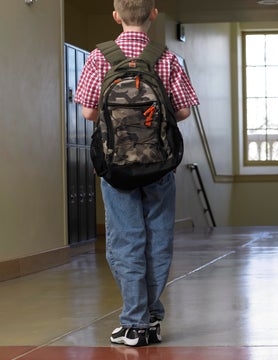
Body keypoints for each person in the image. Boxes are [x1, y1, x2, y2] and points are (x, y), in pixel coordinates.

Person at [74, 0, 199, 347]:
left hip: (116, 167)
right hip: (159, 165)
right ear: (154, 14)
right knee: (158, 239)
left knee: (126, 239)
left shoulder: (100, 57)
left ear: (116, 16)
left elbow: (87, 113)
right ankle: (149, 318)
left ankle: (134, 322)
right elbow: (184, 111)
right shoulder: (168, 57)